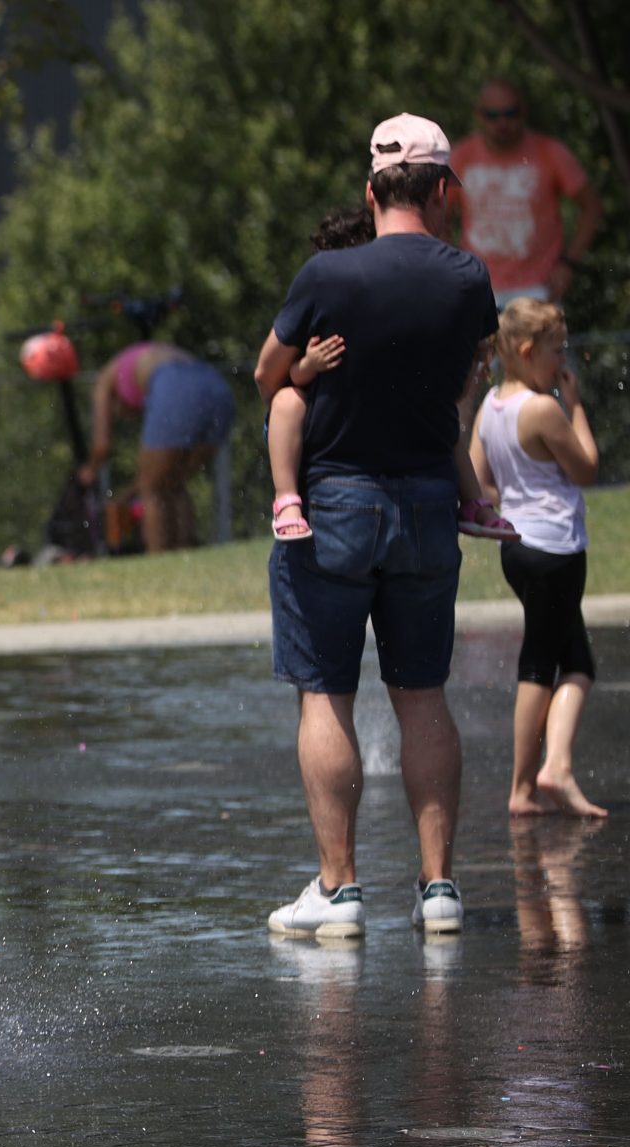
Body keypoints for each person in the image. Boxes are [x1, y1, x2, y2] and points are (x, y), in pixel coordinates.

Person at [256, 114, 498, 939]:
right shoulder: (468, 277)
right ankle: (438, 891)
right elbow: (475, 367)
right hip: (430, 501)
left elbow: (267, 375)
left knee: (326, 691)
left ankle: (340, 890)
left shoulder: (329, 273)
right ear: (440, 191)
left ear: (370, 191)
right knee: (422, 695)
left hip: (335, 502)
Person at [267, 207, 517, 544]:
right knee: (285, 402)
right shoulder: (328, 293)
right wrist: (308, 366)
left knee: (443, 421)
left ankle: (474, 505)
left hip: (374, 447)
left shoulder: (359, 295)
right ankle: (286, 501)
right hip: (327, 424)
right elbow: (284, 373)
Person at [468, 299, 606, 819]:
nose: (562, 361)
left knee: (576, 662)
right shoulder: (544, 409)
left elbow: (482, 485)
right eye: (556, 351)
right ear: (527, 351)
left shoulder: (490, 407)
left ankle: (555, 767)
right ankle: (533, 781)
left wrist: (518, 494)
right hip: (556, 548)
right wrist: (576, 406)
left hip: (518, 549)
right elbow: (587, 468)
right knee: (541, 663)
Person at [453, 78, 602, 306]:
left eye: (510, 113)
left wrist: (569, 264)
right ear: (479, 115)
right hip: (479, 287)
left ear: (523, 112)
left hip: (538, 289)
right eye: (492, 115)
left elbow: (591, 207)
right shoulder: (461, 156)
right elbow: (436, 214)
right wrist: (453, 267)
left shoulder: (550, 152)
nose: (502, 123)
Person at [79, 340, 236, 553]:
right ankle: (185, 554)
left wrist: (89, 471)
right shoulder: (148, 357)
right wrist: (127, 494)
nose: (126, 417)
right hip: (218, 389)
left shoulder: (103, 382)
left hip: (176, 385)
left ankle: (157, 556)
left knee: (152, 491)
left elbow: (102, 446)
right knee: (173, 483)